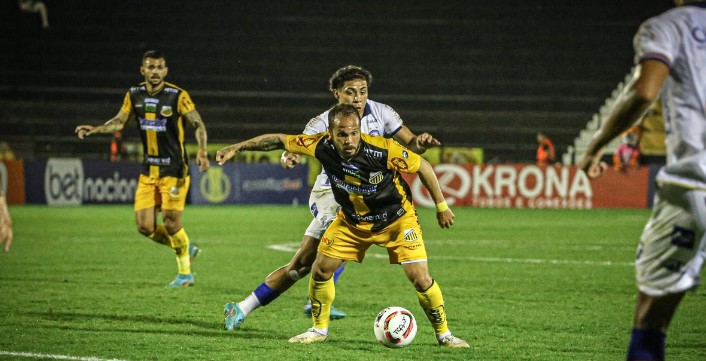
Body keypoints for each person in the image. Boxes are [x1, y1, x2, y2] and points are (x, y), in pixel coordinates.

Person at [216, 103, 470, 347]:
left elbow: (423, 166)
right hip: (352, 222)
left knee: (420, 277)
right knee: (320, 269)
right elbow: (279, 140)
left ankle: (444, 334)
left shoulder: (383, 149)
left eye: (353, 133)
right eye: (342, 134)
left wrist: (441, 206)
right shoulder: (320, 145)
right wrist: (237, 147)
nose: (349, 140)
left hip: (396, 220)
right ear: (330, 133)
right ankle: (319, 330)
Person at [578, 1, 706, 360]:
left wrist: (595, 146)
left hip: (696, 184)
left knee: (651, 316)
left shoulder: (668, 26)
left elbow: (644, 91)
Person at [75, 50, 209, 288]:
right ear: (143, 70)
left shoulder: (177, 95)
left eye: (159, 67)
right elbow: (118, 121)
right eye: (151, 67)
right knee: (144, 226)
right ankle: (186, 246)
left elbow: (197, 123)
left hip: (174, 171)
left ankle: (185, 273)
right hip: (149, 172)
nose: (155, 71)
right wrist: (96, 129)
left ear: (165, 71)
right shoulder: (134, 94)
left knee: (170, 223)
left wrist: (201, 149)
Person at [0, 178, 13, 253]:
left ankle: (6, 249)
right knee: (3, 235)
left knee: (9, 235)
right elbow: (5, 211)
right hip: (3, 219)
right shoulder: (2, 200)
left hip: (3, 218)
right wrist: (8, 219)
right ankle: (6, 248)